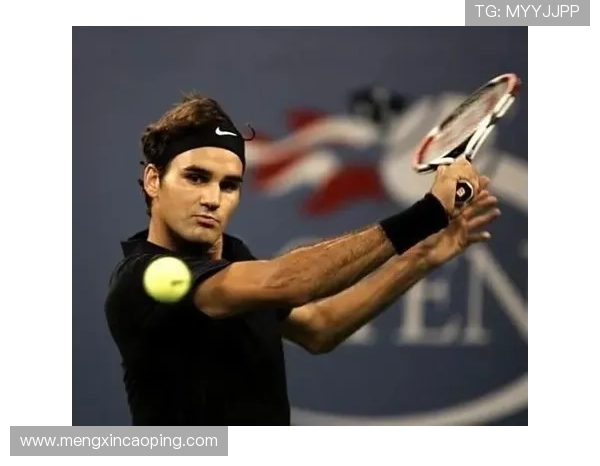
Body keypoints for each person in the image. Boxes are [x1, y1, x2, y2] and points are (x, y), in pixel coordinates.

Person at [104, 93, 500, 426]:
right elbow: (291, 282)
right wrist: (427, 214)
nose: (213, 198)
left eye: (229, 185)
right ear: (154, 180)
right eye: (196, 177)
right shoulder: (142, 280)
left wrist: (423, 256)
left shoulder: (232, 255)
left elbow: (319, 327)